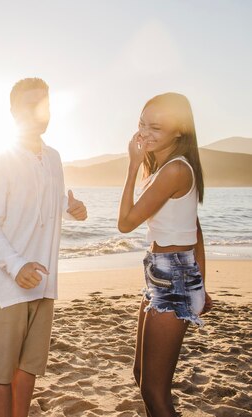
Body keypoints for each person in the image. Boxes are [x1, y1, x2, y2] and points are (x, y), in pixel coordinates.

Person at [0, 78, 88, 417]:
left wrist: (72, 210)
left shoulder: (54, 158)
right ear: (12, 111)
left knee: (28, 369)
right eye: (29, 104)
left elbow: (45, 209)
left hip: (44, 283)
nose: (39, 111)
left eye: (44, 104)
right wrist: (17, 265)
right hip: (7, 287)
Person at [117, 92, 213, 417]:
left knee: (155, 393)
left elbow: (126, 223)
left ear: (179, 132)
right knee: (141, 377)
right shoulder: (164, 167)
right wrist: (202, 285)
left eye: (155, 127)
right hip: (163, 274)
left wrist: (131, 165)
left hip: (173, 277)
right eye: (141, 124)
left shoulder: (174, 170)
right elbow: (195, 229)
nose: (144, 133)